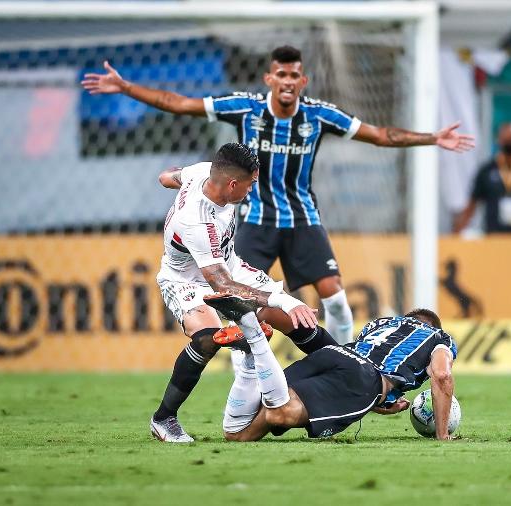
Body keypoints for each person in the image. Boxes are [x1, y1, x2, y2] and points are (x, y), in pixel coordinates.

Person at [82, 46, 475, 345]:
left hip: (303, 217)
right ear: (270, 78)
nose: (288, 81)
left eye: (295, 76)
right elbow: (179, 104)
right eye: (281, 74)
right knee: (239, 302)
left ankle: (346, 366)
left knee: (334, 296)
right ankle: (248, 378)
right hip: (255, 220)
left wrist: (433, 138)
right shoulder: (245, 108)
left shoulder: (319, 115)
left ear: (303, 83)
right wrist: (125, 87)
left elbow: (379, 135)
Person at [151, 142, 337, 443]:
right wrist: (283, 298)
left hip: (229, 268)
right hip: (186, 281)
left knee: (292, 318)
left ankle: (351, 370)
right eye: (249, 185)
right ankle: (164, 419)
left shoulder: (202, 173)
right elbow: (221, 287)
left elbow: (166, 177)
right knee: (206, 339)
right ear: (232, 183)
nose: (251, 192)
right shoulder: (196, 221)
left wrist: (284, 305)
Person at [205, 302, 458, 441]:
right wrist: (442, 435)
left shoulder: (382, 323)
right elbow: (442, 375)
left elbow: (352, 364)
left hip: (333, 354)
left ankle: (251, 356)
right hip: (366, 378)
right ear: (433, 326)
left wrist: (377, 403)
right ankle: (255, 339)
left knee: (237, 433)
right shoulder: (439, 337)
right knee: (280, 414)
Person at [453, 122, 511, 234]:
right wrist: (456, 234)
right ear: (498, 139)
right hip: (494, 238)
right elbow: (471, 206)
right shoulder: (486, 171)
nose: (510, 141)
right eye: (507, 138)